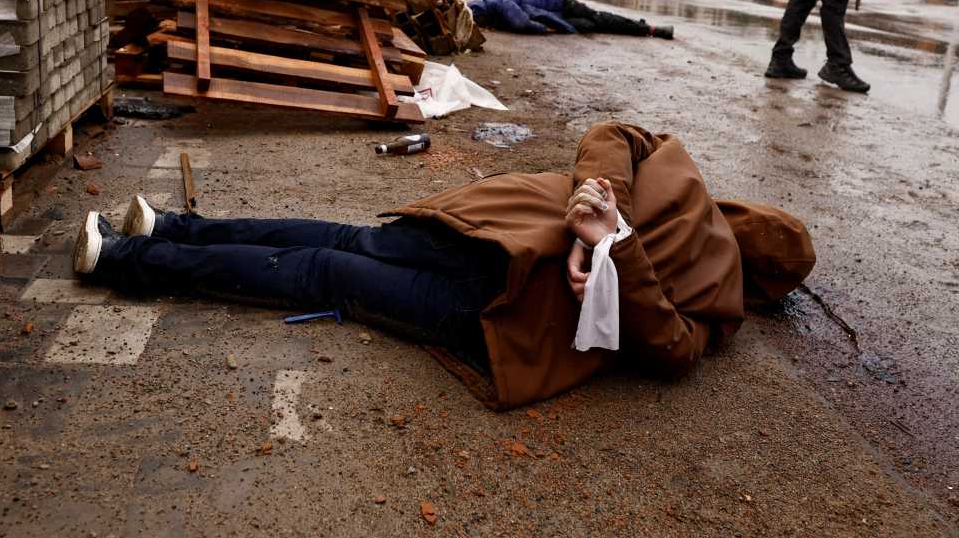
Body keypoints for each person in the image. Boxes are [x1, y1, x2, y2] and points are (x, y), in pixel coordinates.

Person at [71, 122, 815, 410]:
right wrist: (604, 231)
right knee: (329, 268)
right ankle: (131, 253)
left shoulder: (683, 179)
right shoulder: (713, 264)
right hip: (497, 298)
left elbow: (612, 135)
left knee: (340, 242)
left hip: (488, 247)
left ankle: (164, 228)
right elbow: (674, 351)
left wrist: (611, 229)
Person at [467, 0, 674, 39]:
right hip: (557, 14)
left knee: (597, 18)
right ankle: (635, 26)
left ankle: (649, 28)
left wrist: (544, 29)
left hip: (559, 2)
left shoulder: (501, 3)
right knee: (594, 26)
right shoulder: (494, 6)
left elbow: (522, 23)